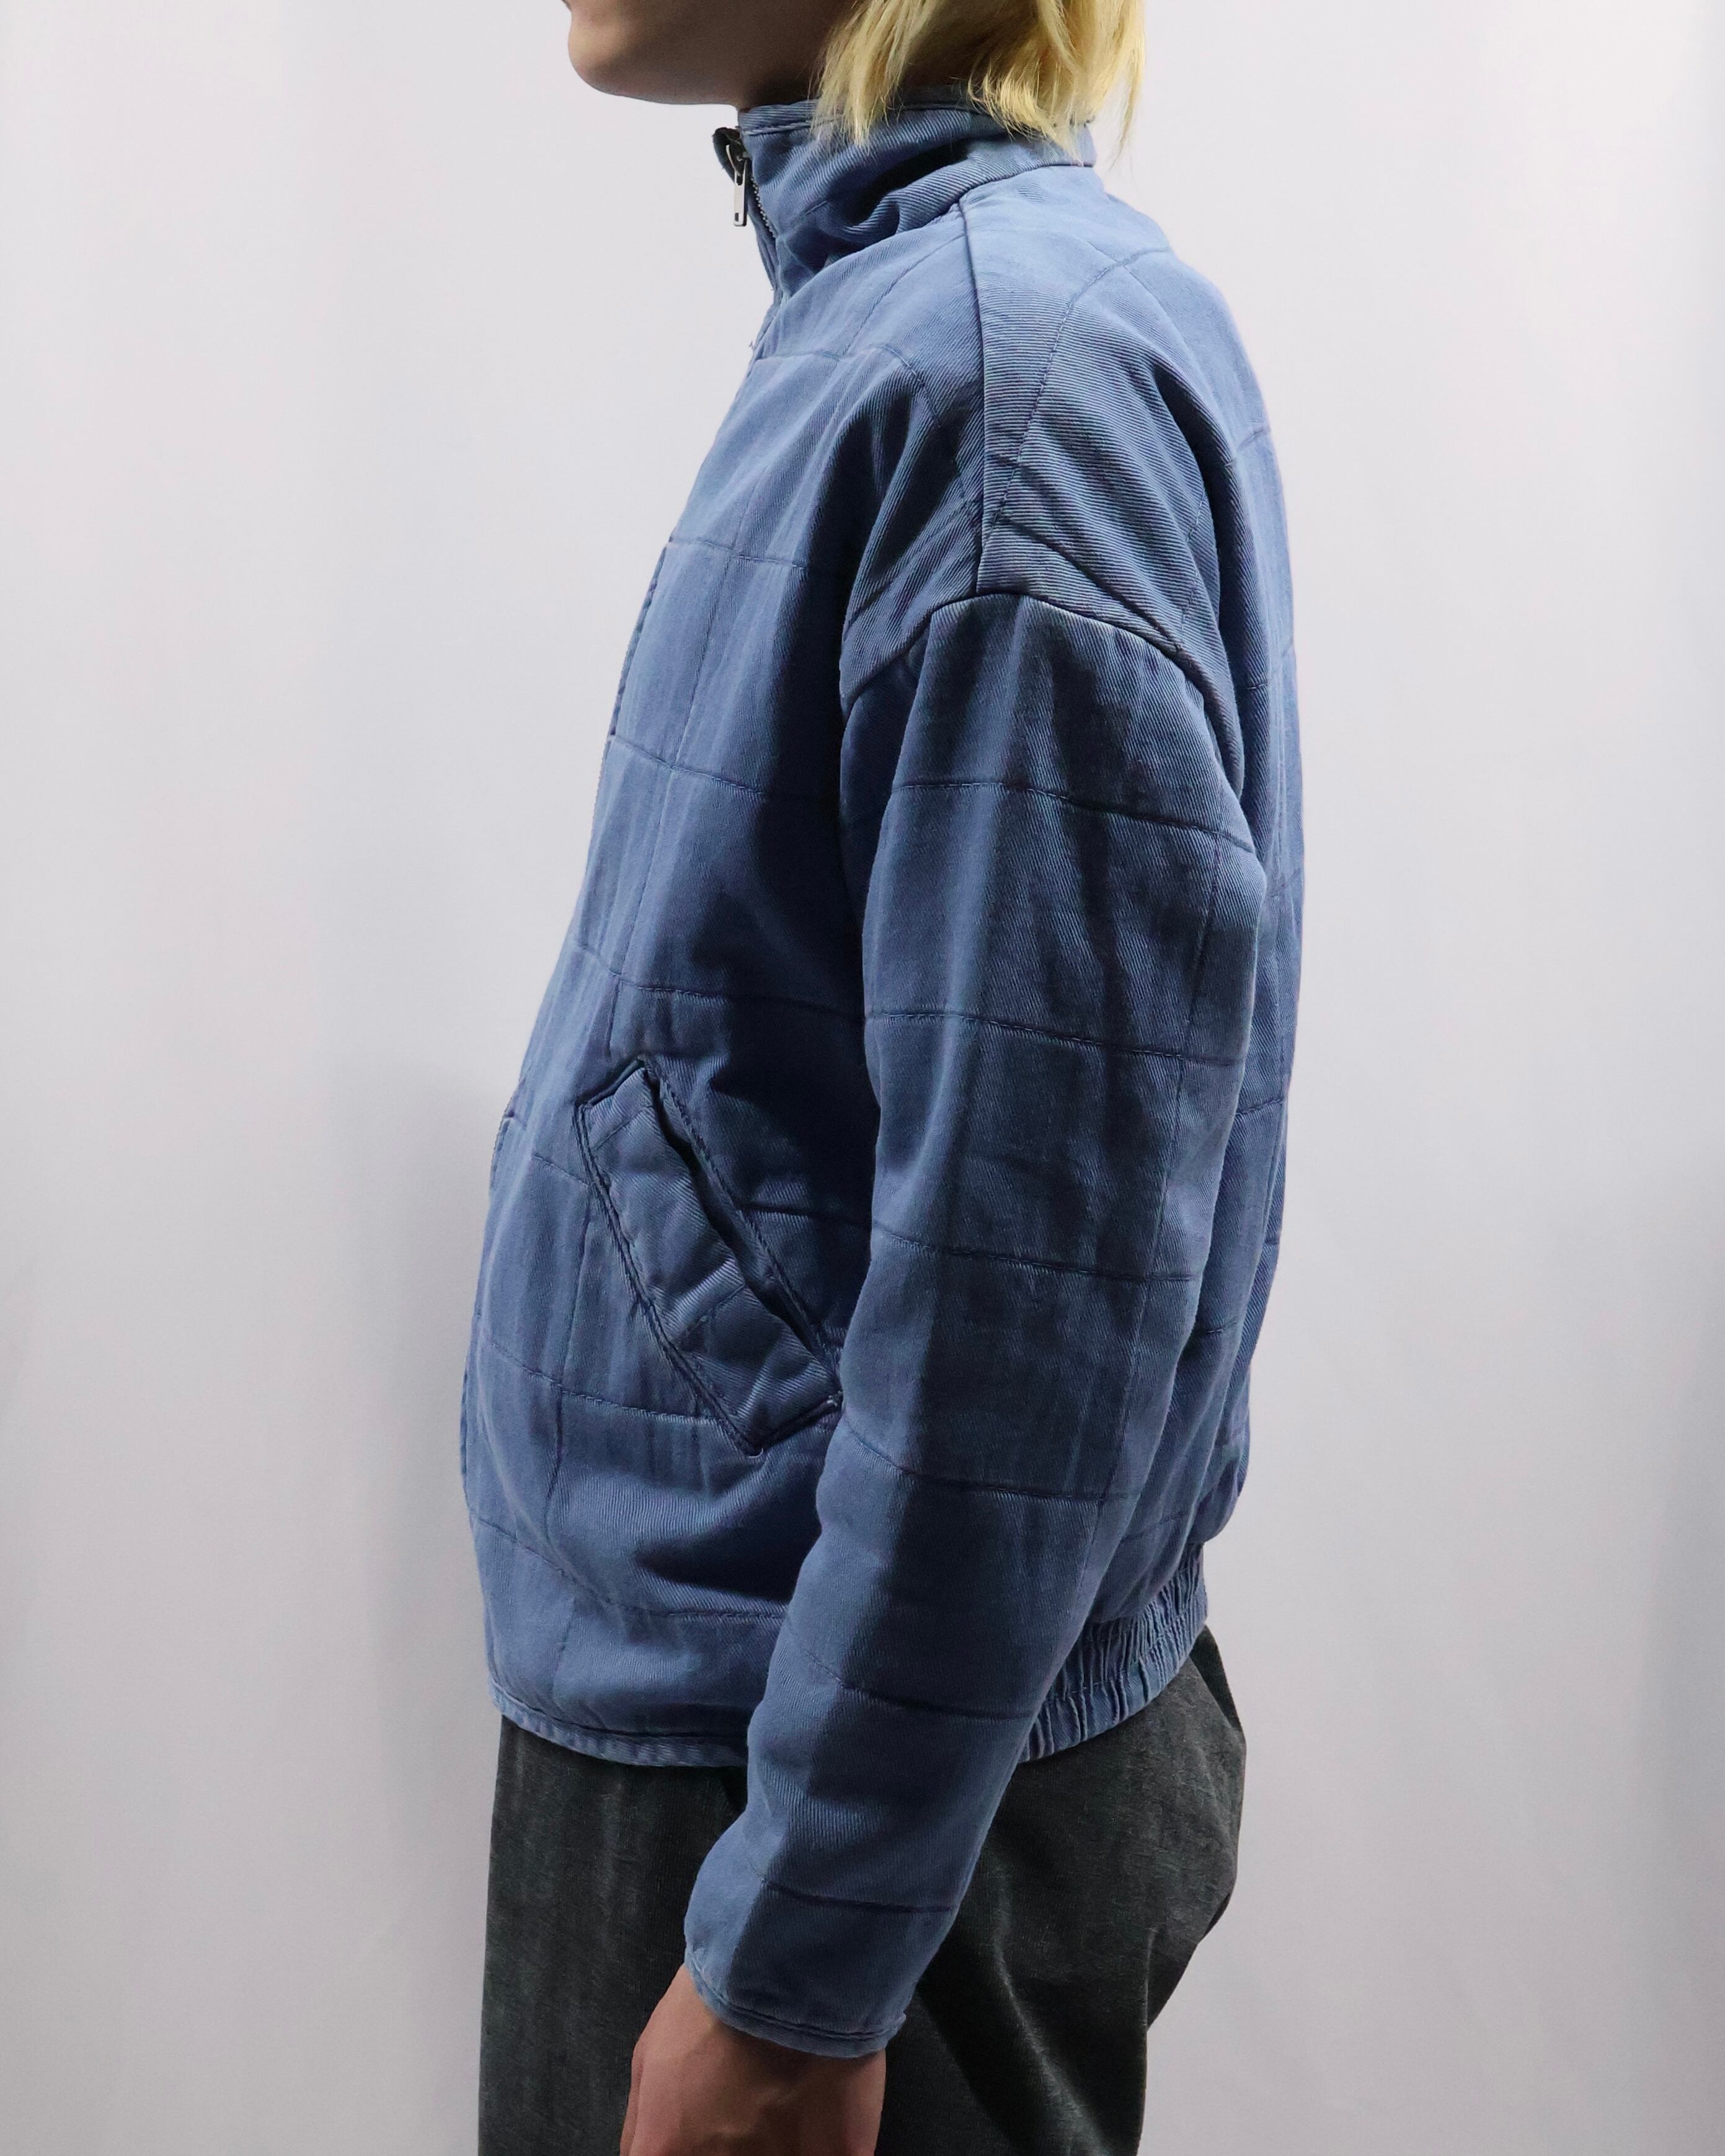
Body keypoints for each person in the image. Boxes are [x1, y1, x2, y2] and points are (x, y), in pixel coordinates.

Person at [464, 0, 1302, 2146]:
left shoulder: (1003, 388)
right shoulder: (907, 320)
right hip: (790, 1740)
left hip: (814, 1799)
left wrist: (799, 1961)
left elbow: (1040, 1290)